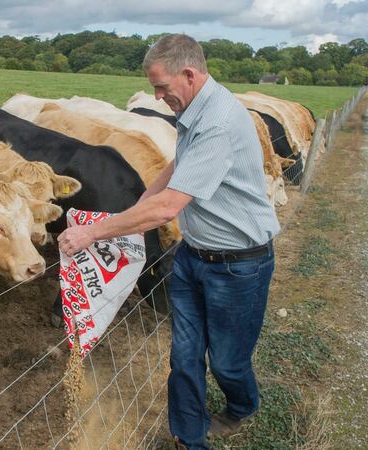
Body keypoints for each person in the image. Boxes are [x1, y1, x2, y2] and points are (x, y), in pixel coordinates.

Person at [58, 34, 280, 449]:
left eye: (161, 86)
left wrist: (93, 231)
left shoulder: (217, 122)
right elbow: (179, 167)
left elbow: (168, 208)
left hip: (239, 266)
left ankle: (241, 404)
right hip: (193, 257)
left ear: (189, 74)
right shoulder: (197, 108)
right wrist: (139, 206)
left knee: (229, 363)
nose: (158, 97)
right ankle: (189, 439)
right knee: (184, 357)